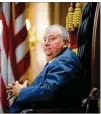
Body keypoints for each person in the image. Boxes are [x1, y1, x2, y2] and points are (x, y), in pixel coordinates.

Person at [6, 24, 83, 113]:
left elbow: (48, 90)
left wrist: (21, 91)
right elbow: (49, 86)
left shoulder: (65, 61)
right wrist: (25, 88)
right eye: (45, 39)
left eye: (52, 38)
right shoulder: (57, 60)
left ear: (65, 43)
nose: (46, 43)